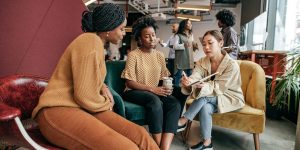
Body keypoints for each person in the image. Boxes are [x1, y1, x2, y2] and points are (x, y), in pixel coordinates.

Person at [31, 3, 159, 150]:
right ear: (108, 29)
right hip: (56, 111)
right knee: (127, 147)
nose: (124, 33)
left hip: (79, 107)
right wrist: (106, 103)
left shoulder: (95, 43)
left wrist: (103, 86)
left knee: (141, 134)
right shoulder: (90, 42)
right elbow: (85, 96)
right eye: (121, 29)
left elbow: (86, 77)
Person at [121, 16, 181, 150]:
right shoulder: (133, 55)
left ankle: (164, 147)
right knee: (154, 101)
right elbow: (129, 82)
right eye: (147, 36)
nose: (152, 38)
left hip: (152, 91)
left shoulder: (159, 55)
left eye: (153, 35)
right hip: (133, 91)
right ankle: (156, 147)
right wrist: (153, 89)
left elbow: (163, 78)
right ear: (140, 39)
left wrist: (167, 87)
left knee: (174, 103)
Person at [178, 30, 245, 150]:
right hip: (212, 96)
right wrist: (190, 81)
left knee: (205, 95)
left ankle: (184, 120)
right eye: (204, 44)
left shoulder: (231, 65)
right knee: (205, 106)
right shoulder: (202, 61)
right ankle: (207, 143)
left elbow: (220, 87)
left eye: (210, 43)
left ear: (220, 43)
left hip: (229, 96)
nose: (206, 47)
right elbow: (196, 75)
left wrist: (204, 86)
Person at [173, 19, 195, 86]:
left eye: (191, 23)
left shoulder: (191, 35)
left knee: (190, 79)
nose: (191, 25)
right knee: (178, 78)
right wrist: (183, 45)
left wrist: (195, 46)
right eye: (189, 23)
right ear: (184, 25)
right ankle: (176, 93)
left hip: (190, 60)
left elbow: (191, 46)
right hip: (181, 61)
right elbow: (174, 46)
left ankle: (189, 92)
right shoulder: (178, 35)